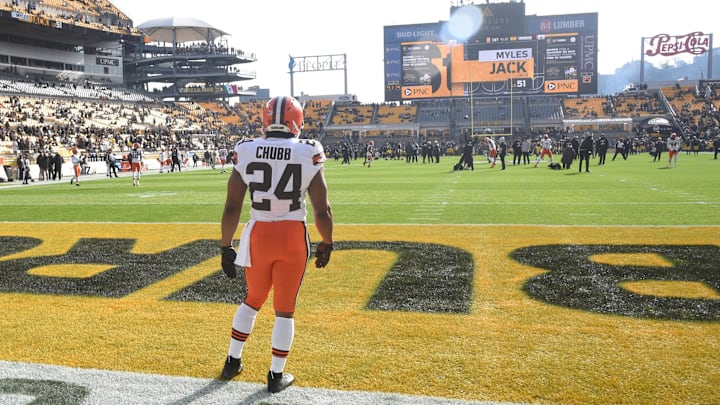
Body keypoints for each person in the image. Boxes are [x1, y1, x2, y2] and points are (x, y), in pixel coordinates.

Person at [219, 96, 334, 394]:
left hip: (258, 235)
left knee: (252, 299)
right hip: (292, 235)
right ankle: (275, 375)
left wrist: (224, 246)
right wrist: (327, 242)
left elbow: (232, 206)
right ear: (297, 121)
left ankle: (232, 361)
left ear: (266, 120)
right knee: (284, 310)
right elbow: (322, 209)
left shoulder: (246, 149)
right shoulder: (308, 150)